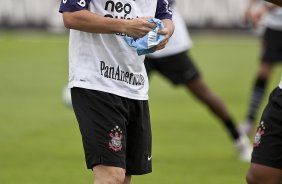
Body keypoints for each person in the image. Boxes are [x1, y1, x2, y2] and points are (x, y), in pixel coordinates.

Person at [59, 0, 174, 183]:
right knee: (111, 177)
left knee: (123, 178)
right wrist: (125, 25)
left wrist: (163, 33)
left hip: (135, 86)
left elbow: (165, 16)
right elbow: (71, 16)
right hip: (95, 81)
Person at [144, 1, 252, 161]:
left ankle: (239, 139)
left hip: (170, 46)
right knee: (127, 96)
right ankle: (118, 148)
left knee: (203, 93)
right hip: (139, 46)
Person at [239, 0, 282, 136]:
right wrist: (249, 6)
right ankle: (250, 120)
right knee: (263, 72)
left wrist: (264, 8)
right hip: (273, 28)